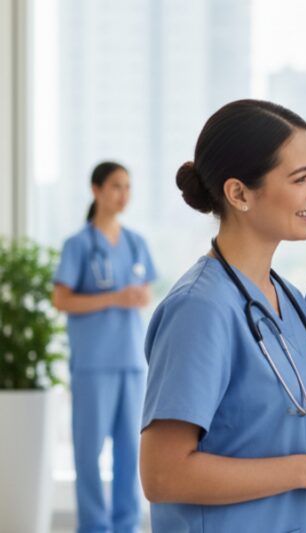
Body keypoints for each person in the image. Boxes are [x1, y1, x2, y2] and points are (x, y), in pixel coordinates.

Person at [138, 99, 306, 532]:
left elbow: (263, 438)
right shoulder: (199, 309)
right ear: (239, 193)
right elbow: (163, 474)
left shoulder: (287, 297)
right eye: (300, 177)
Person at [52, 161, 156, 533]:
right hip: (94, 363)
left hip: (130, 361)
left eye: (128, 187)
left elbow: (145, 292)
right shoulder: (79, 245)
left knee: (130, 450)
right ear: (96, 190)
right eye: (115, 186)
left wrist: (135, 297)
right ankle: (94, 526)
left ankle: (126, 525)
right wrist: (114, 298)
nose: (123, 195)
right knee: (88, 452)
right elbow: (61, 299)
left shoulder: (135, 243)